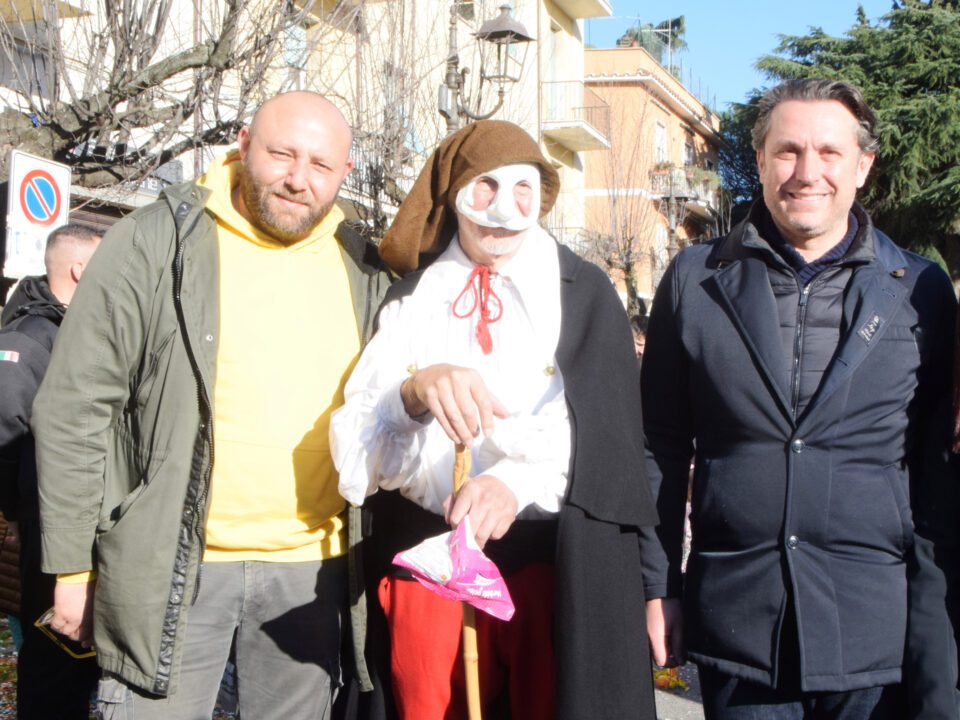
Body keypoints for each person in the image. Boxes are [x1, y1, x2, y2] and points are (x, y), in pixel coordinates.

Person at [31, 91, 392, 718]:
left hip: (311, 576)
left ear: (344, 174)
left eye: (320, 165)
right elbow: (74, 408)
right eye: (282, 153)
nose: (298, 179)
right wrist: (70, 568)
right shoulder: (155, 241)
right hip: (164, 565)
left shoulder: (363, 268)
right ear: (245, 143)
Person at [640, 78, 957, 719]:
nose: (806, 172)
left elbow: (936, 476)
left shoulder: (922, 289)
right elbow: (659, 448)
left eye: (829, 153)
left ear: (864, 165)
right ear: (758, 161)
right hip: (740, 632)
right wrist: (657, 586)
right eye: (787, 151)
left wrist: (934, 630)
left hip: (875, 636)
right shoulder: (694, 282)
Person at [330, 120, 658, 720]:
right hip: (426, 574)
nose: (504, 213)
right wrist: (412, 393)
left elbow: (604, 438)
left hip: (550, 571)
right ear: (454, 195)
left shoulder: (584, 296)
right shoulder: (412, 299)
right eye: (484, 190)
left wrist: (513, 483)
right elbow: (359, 453)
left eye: (523, 192)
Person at [0, 223, 102, 718]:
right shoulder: (29, 339)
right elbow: (5, 436)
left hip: (76, 523)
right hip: (45, 526)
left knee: (77, 661)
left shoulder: (75, 331)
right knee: (52, 658)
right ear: (81, 269)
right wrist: (15, 514)